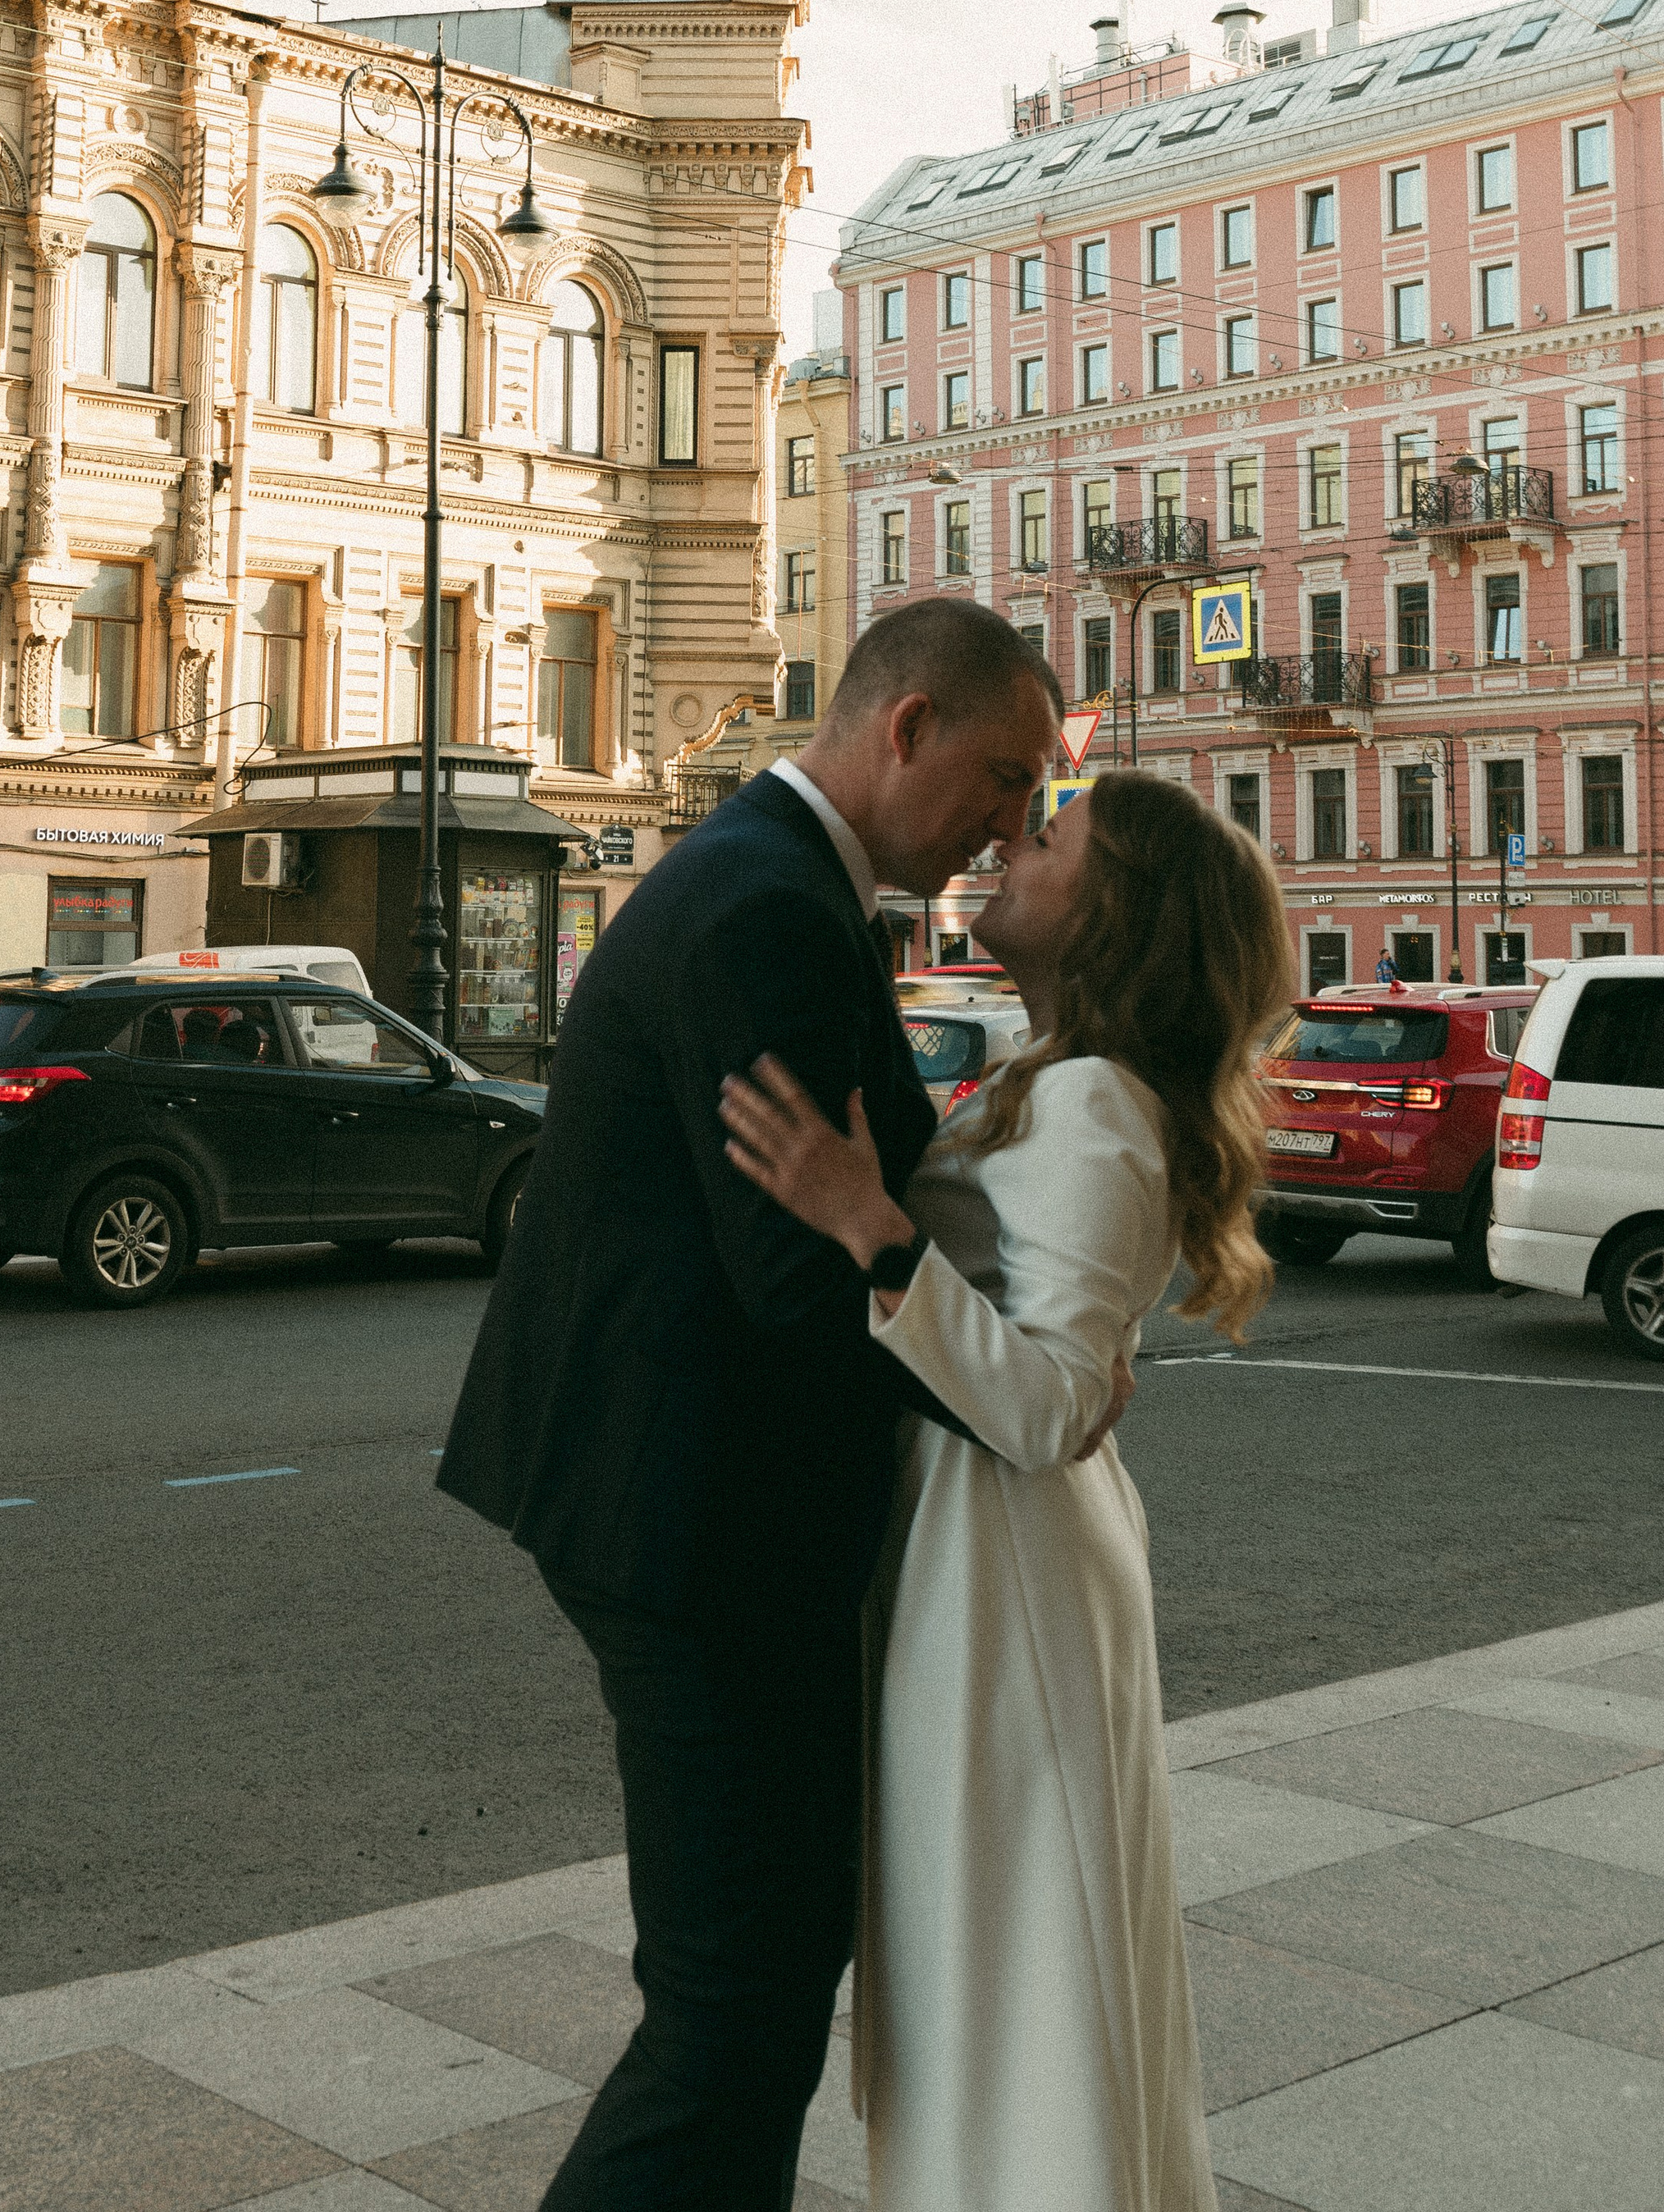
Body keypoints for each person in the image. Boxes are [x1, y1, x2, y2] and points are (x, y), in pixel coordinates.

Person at [437, 599, 1063, 2208]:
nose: (1012, 822)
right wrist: (1026, 1388)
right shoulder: (766, 907)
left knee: (752, 1994)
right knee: (734, 2012)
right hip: (702, 1527)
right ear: (908, 727)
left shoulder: (771, 880)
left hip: (689, 1505)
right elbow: (802, 1280)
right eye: (1005, 775)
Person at [722, 770, 1293, 2210]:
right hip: (998, 1550)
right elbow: (1066, 1371)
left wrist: (868, 1225)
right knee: (1010, 1948)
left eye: (1047, 840)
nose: (1009, 846)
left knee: (1017, 1955)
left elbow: (1044, 1405)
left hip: (1010, 1567)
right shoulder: (1062, 1074)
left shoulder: (1094, 1098)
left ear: (1112, 914)